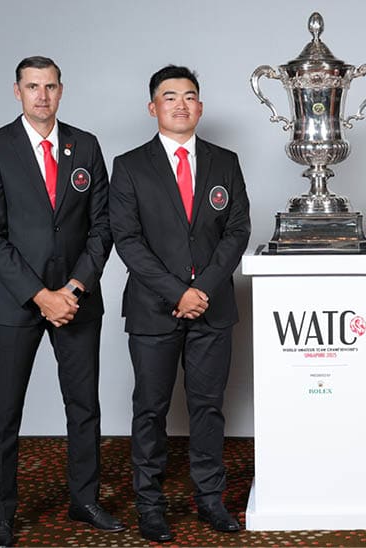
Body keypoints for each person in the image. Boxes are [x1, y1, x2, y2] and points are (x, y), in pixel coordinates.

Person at [0, 56, 121, 547]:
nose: (42, 95)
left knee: (84, 407)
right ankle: (1, 515)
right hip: (17, 302)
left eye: (50, 86)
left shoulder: (87, 146)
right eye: (33, 86)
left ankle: (85, 499)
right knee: (3, 411)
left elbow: (102, 227)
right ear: (17, 91)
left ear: (62, 90)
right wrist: (41, 296)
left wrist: (74, 289)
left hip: (78, 299)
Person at [109, 65, 251, 542]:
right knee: (150, 408)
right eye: (170, 97)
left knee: (208, 408)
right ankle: (150, 504)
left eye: (189, 96)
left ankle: (210, 500)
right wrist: (177, 292)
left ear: (200, 106)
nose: (180, 105)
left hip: (211, 308)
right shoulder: (129, 166)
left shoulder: (224, 162)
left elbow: (237, 231)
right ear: (153, 107)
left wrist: (203, 290)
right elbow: (127, 240)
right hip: (154, 309)